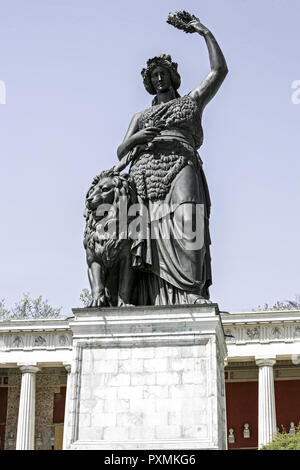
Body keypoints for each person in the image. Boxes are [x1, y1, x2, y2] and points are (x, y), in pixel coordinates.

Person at [117, 18, 228, 305]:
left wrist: (204, 32)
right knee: (148, 231)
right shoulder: (140, 116)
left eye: (163, 73)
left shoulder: (191, 101)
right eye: (153, 76)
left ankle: (191, 291)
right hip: (145, 172)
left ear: (172, 76)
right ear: (148, 82)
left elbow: (219, 71)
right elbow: (121, 150)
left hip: (182, 162)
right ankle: (148, 297)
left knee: (188, 218)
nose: (158, 79)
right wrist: (139, 137)